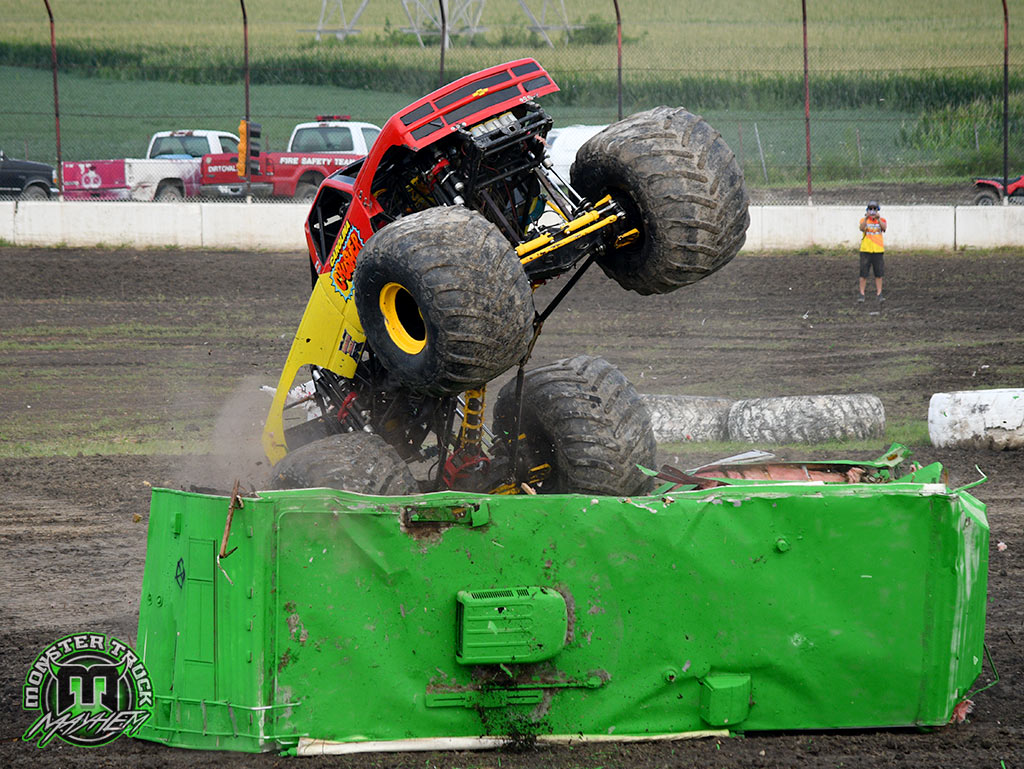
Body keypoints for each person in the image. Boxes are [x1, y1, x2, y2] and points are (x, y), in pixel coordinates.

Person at [858, 201, 887, 303]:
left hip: (878, 250)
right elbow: (862, 228)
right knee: (863, 273)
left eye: (874, 209)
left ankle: (879, 293)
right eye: (870, 209)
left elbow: (884, 228)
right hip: (866, 250)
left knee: (878, 273)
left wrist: (878, 219)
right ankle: (861, 294)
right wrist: (866, 218)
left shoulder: (882, 220)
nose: (872, 211)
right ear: (867, 210)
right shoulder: (863, 220)